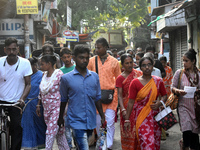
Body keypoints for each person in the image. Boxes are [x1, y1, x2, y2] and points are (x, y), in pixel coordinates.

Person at [57, 44, 105, 150]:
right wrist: (60, 118)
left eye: (87, 58)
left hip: (90, 120)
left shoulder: (94, 77)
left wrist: (102, 115)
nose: (85, 60)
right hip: (75, 120)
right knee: (84, 147)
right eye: (81, 57)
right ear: (74, 58)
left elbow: (97, 98)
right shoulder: (66, 79)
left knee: (82, 145)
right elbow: (63, 99)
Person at [124, 56, 167, 149]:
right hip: (141, 117)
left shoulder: (158, 81)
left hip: (155, 117)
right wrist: (127, 119)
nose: (147, 67)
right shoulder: (134, 83)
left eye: (149, 65)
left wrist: (159, 103)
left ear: (153, 66)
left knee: (155, 144)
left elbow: (165, 96)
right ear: (140, 67)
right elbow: (130, 102)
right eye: (144, 65)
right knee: (147, 144)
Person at [87, 38, 121, 149]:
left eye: (99, 47)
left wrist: (116, 95)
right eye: (96, 47)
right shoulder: (91, 61)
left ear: (106, 47)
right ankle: (102, 144)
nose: (97, 49)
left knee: (110, 121)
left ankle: (109, 145)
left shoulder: (114, 61)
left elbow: (118, 79)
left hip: (111, 97)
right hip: (96, 98)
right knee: (98, 123)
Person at [0, 37, 32, 150]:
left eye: (14, 49)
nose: (12, 52)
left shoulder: (25, 63)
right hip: (1, 101)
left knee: (17, 128)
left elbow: (28, 84)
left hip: (16, 102)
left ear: (18, 49)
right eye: (9, 49)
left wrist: (22, 99)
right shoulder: (0, 62)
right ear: (5, 50)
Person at [36, 55, 69, 150]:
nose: (40, 66)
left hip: (57, 109)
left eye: (42, 64)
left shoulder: (59, 75)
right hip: (47, 109)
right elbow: (41, 92)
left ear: (49, 64)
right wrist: (38, 104)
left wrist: (63, 112)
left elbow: (65, 93)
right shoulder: (44, 75)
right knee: (60, 135)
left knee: (50, 132)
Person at [171, 49, 200, 150]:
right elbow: (172, 87)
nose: (184, 63)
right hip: (183, 106)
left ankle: (185, 143)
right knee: (187, 130)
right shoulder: (179, 73)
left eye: (186, 61)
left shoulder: (199, 75)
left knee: (194, 133)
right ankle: (185, 145)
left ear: (193, 61)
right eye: (183, 60)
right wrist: (178, 91)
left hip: (195, 108)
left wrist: (197, 91)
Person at [116, 53, 142, 150]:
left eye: (131, 62)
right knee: (128, 133)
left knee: (139, 132)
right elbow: (120, 95)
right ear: (122, 65)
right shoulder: (120, 78)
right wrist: (123, 110)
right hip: (127, 110)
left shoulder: (139, 74)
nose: (130, 65)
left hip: (139, 108)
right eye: (127, 63)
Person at [21, 57, 46, 150]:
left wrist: (39, 104)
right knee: (26, 126)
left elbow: (42, 91)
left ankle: (41, 146)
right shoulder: (24, 75)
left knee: (39, 127)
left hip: (38, 105)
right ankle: (28, 147)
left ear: (35, 65)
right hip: (26, 106)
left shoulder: (42, 75)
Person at [59, 47, 75, 149]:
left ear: (71, 57)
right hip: (65, 102)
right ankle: (69, 146)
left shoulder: (76, 68)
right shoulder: (60, 71)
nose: (67, 59)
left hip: (75, 101)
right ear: (61, 58)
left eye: (68, 57)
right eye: (64, 57)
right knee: (66, 128)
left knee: (76, 128)